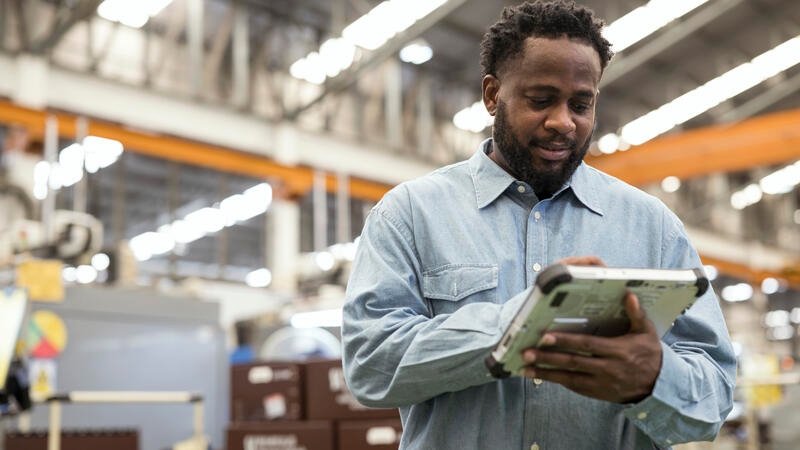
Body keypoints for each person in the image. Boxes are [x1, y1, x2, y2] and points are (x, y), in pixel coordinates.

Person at [341, 1, 736, 448]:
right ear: (493, 95)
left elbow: (713, 398)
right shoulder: (411, 214)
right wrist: (519, 326)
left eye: (580, 104)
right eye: (541, 100)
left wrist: (653, 378)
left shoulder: (653, 227)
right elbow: (370, 366)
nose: (563, 122)